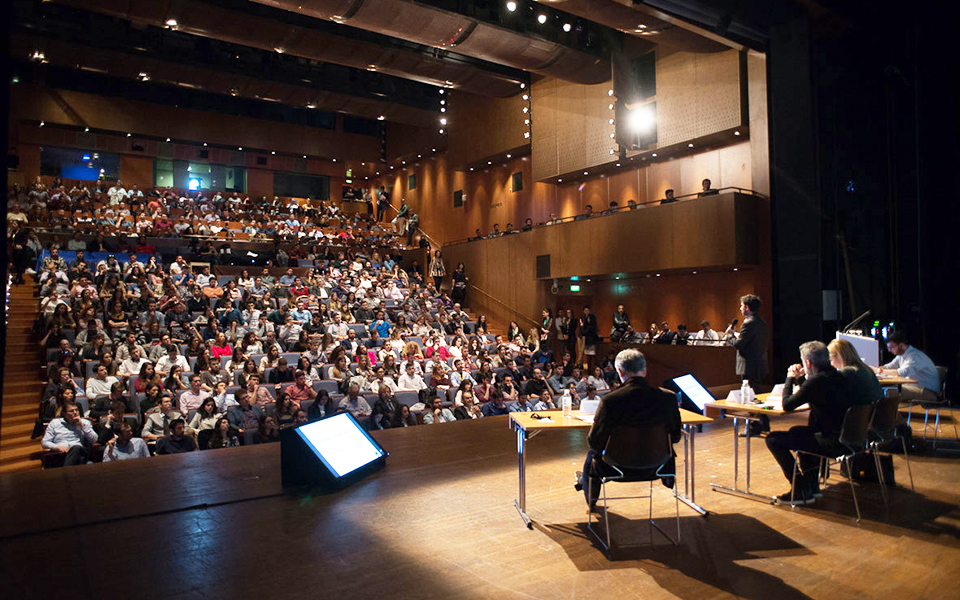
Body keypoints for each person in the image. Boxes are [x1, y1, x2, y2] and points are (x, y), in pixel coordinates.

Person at [577, 349, 680, 509]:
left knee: (592, 455)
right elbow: (675, 437)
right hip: (658, 465)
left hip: (616, 467)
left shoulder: (610, 401)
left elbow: (594, 442)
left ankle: (591, 500)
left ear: (619, 371)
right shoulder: (668, 398)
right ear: (645, 371)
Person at [764, 341, 864, 505]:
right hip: (848, 438)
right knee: (799, 432)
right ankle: (811, 487)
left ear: (808, 363)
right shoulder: (838, 376)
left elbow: (788, 404)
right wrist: (802, 379)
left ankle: (800, 487)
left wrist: (790, 378)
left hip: (831, 442)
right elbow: (810, 394)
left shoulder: (817, 381)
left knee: (773, 439)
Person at [726, 294, 770, 435]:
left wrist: (730, 336)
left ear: (747, 307)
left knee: (750, 397)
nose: (740, 308)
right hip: (759, 364)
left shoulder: (748, 323)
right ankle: (764, 424)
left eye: (741, 306)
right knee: (757, 395)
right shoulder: (762, 323)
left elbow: (740, 345)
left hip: (748, 365)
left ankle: (754, 427)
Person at [876, 331, 940, 402]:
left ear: (901, 345)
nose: (889, 350)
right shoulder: (901, 355)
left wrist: (880, 371)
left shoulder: (914, 356)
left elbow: (901, 372)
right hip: (914, 387)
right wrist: (878, 369)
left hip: (926, 391)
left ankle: (888, 413)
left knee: (889, 392)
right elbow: (889, 366)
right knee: (888, 389)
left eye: (891, 347)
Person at [41, 401, 97, 466]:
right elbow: (45, 442)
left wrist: (82, 426)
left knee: (76, 448)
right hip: (60, 453)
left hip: (79, 452)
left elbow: (94, 439)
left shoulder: (84, 423)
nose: (75, 413)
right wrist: (57, 447)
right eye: (71, 411)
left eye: (76, 410)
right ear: (64, 414)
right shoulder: (55, 423)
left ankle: (65, 472)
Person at [828, 339, 882, 406]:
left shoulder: (847, 372)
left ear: (839, 356)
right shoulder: (867, 369)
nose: (831, 364)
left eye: (831, 359)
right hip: (874, 413)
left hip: (859, 414)